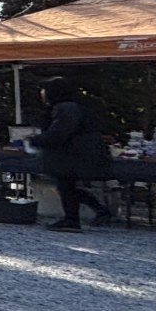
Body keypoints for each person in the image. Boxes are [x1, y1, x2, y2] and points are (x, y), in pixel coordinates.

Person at [32, 77, 115, 231]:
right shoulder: (72, 107)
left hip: (75, 154)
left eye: (44, 91)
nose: (42, 94)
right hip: (77, 153)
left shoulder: (65, 108)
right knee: (67, 187)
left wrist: (37, 140)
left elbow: (60, 132)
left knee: (66, 186)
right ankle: (96, 211)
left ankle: (72, 219)